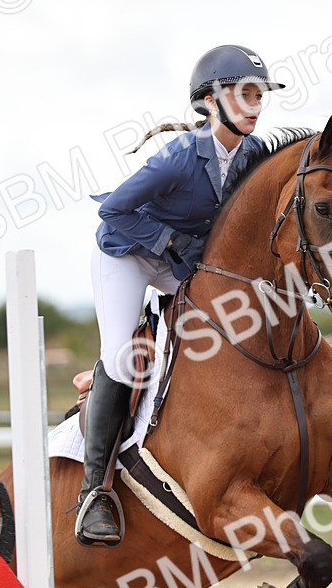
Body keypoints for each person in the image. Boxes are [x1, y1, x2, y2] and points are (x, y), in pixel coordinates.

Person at [76, 44, 285, 546]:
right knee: (122, 358)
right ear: (211, 101)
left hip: (178, 265)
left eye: (260, 95)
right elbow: (113, 212)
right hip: (127, 254)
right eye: (245, 94)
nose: (255, 104)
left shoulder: (252, 154)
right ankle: (94, 491)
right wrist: (169, 240)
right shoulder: (177, 157)